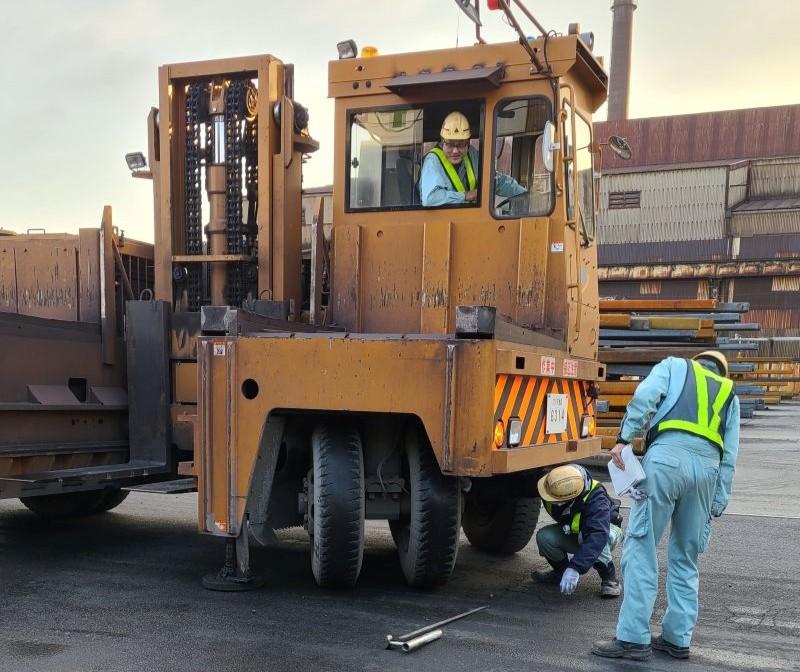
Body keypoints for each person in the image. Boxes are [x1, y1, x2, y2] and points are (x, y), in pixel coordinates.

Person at [592, 350, 740, 661]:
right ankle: (676, 639)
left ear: (698, 361)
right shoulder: (729, 393)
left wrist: (624, 437)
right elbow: (730, 456)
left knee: (642, 544)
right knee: (686, 556)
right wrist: (719, 498)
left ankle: (632, 638)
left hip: (666, 461)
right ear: (721, 370)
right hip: (707, 472)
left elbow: (646, 396)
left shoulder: (675, 366)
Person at [531, 464, 623, 598]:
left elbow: (597, 535)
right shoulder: (551, 484)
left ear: (573, 496)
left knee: (597, 538)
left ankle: (609, 579)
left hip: (604, 531)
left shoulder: (597, 498)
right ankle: (561, 573)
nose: (555, 503)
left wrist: (575, 568)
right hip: (576, 531)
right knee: (545, 537)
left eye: (559, 501)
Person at [419, 111, 526, 207]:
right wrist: (465, 196)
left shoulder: (472, 154)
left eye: (461, 144)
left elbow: (496, 182)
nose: (455, 151)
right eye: (450, 144)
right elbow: (430, 198)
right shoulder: (432, 161)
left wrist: (526, 195)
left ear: (468, 143)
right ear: (442, 142)